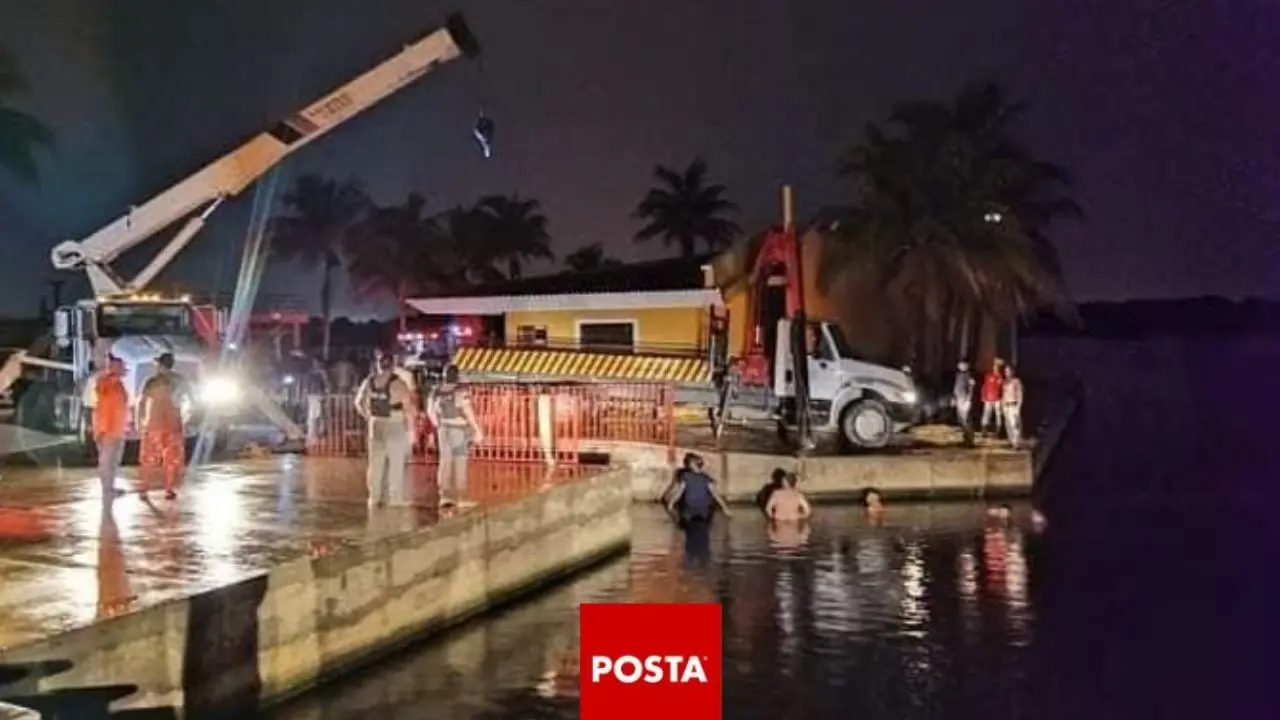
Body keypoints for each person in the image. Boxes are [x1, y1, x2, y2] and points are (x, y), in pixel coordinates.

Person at [355, 352, 418, 508]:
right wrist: (411, 431)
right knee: (396, 463)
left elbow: (358, 402)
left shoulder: (369, 382)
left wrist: (368, 416)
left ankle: (373, 498)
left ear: (379, 365)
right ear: (393, 365)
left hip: (375, 425)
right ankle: (395, 499)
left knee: (375, 464)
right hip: (394, 424)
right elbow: (408, 407)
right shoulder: (398, 383)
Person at [426, 364, 484, 509]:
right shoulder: (459, 392)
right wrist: (477, 430)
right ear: (457, 376)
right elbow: (468, 411)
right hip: (458, 430)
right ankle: (461, 497)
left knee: (445, 462)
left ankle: (444, 496)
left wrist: (437, 424)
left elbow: (430, 411)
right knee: (460, 462)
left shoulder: (435, 391)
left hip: (443, 429)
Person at [137, 353, 188, 500]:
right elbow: (191, 400)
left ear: (160, 365)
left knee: (148, 459)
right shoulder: (180, 381)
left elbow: (141, 402)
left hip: (155, 425)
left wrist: (140, 421)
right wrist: (186, 419)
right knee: (172, 460)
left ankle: (144, 488)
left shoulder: (152, 382)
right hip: (173, 425)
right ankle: (169, 489)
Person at [87, 355, 129, 500]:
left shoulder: (119, 385)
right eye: (121, 366)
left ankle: (110, 487)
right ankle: (107, 489)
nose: (125, 369)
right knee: (107, 461)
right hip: (107, 429)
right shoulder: (105, 382)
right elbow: (99, 388)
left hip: (117, 429)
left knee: (113, 462)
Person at [666, 457, 733, 528]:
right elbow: (715, 494)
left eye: (690, 463)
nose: (688, 465)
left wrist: (671, 503)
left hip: (690, 508)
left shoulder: (686, 476)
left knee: (684, 525)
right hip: (703, 509)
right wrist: (725, 508)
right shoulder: (706, 478)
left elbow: (679, 492)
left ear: (693, 465)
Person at [980, 357, 1006, 437]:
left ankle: (999, 430)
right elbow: (985, 386)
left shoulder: (1002, 376)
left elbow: (1003, 388)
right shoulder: (989, 375)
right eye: (995, 365)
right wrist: (983, 396)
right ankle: (984, 429)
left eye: (998, 366)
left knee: (998, 414)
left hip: (998, 398)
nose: (996, 367)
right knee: (987, 413)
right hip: (988, 398)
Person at [952, 360, 975, 446]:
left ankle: (970, 439)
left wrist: (968, 399)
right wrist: (954, 398)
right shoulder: (958, 375)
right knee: (961, 420)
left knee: (966, 420)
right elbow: (956, 387)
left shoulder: (968, 376)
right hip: (959, 399)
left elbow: (971, 389)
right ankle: (965, 438)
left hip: (965, 400)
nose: (960, 366)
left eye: (962, 364)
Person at [1002, 364, 1025, 448]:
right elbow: (1004, 394)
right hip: (1006, 405)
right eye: (1005, 371)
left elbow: (1020, 394)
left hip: (1013, 405)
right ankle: (1011, 441)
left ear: (1012, 371)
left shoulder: (1016, 381)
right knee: (1008, 424)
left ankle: (1016, 443)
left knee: (1015, 424)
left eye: (1008, 371)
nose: (1007, 372)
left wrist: (1018, 406)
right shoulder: (1005, 381)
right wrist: (1003, 405)